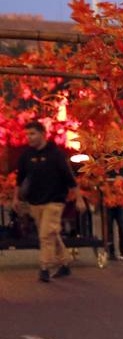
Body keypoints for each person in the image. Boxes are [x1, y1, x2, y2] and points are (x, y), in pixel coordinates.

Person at [15, 121, 79, 282]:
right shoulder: (26, 155)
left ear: (43, 134)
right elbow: (20, 179)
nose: (29, 137)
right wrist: (16, 197)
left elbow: (69, 178)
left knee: (45, 235)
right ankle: (65, 262)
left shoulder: (55, 154)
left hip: (55, 201)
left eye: (32, 134)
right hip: (35, 202)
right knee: (51, 233)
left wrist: (78, 199)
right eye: (27, 134)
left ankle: (45, 267)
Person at [102, 174, 123, 261]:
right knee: (108, 226)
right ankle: (110, 252)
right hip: (107, 199)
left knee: (122, 225)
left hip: (121, 199)